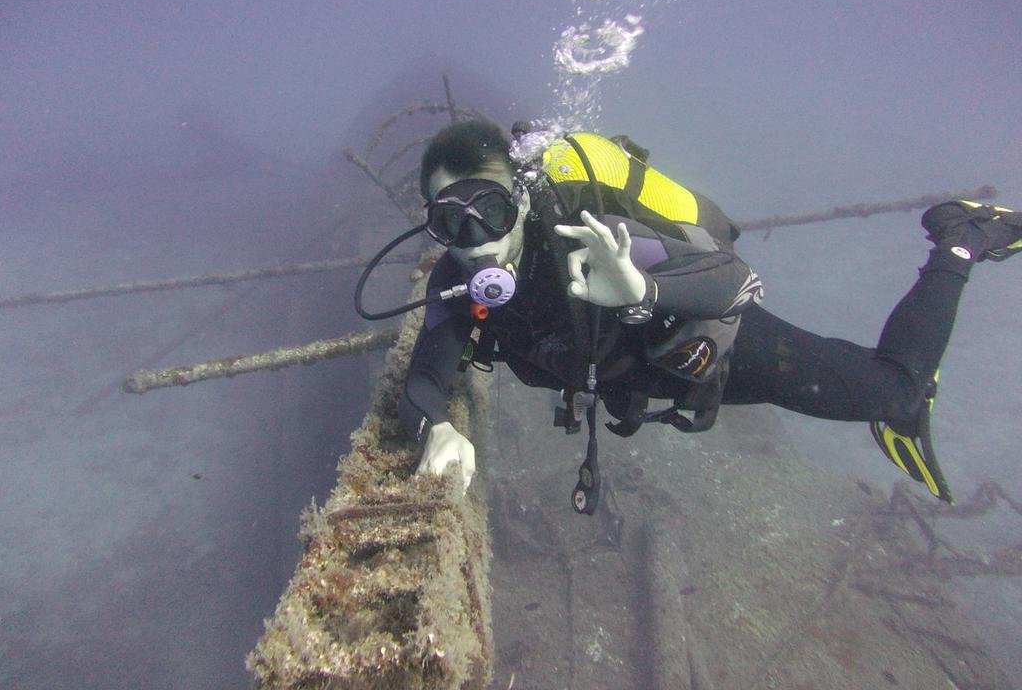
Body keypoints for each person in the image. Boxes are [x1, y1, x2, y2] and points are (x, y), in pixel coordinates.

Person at [390, 119, 1020, 510]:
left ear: (523, 200)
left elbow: (738, 281)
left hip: (711, 346)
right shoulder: (458, 283)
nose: (476, 240)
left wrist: (640, 289)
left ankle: (959, 239)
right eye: (450, 220)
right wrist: (435, 428)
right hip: (660, 377)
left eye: (491, 210)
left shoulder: (586, 233)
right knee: (854, 377)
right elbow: (423, 379)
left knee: (895, 391)